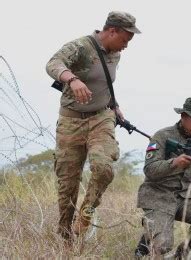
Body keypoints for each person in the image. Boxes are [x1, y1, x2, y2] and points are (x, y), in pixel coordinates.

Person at [45, 11, 140, 242]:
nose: (126, 46)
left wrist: (114, 106)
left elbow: (103, 83)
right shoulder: (81, 46)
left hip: (101, 117)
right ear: (112, 31)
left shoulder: (116, 54)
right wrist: (72, 79)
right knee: (67, 182)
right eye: (125, 40)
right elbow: (53, 63)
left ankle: (86, 213)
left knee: (104, 167)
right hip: (71, 120)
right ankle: (66, 234)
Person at [135, 97, 191, 258]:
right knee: (163, 245)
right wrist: (174, 163)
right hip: (158, 195)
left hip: (185, 196)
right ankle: (148, 237)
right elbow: (149, 169)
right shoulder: (162, 136)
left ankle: (182, 252)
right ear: (183, 116)